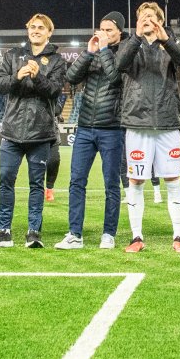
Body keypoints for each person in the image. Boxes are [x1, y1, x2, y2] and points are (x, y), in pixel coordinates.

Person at [115, 3, 180, 252]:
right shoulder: (130, 43)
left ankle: (178, 236)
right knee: (136, 181)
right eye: (143, 16)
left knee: (172, 180)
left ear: (160, 20)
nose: (147, 19)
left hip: (166, 121)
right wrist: (137, 37)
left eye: (151, 16)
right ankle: (136, 237)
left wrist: (166, 40)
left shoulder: (169, 44)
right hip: (137, 122)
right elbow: (119, 65)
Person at [0, 14, 66, 248]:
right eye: (33, 27)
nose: (36, 30)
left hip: (40, 133)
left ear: (49, 32)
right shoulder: (12, 55)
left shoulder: (57, 60)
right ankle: (3, 231)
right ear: (28, 30)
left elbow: (55, 90)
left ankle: (34, 232)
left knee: (36, 185)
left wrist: (37, 76)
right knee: (5, 181)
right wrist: (17, 76)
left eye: (41, 27)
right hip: (12, 131)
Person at [55, 13, 126, 249]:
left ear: (120, 32)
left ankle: (109, 234)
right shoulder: (93, 53)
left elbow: (115, 79)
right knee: (76, 181)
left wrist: (104, 50)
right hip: (85, 126)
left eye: (109, 30)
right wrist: (88, 53)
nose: (103, 33)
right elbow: (71, 77)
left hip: (112, 127)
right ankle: (75, 233)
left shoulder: (125, 52)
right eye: (101, 29)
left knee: (111, 184)